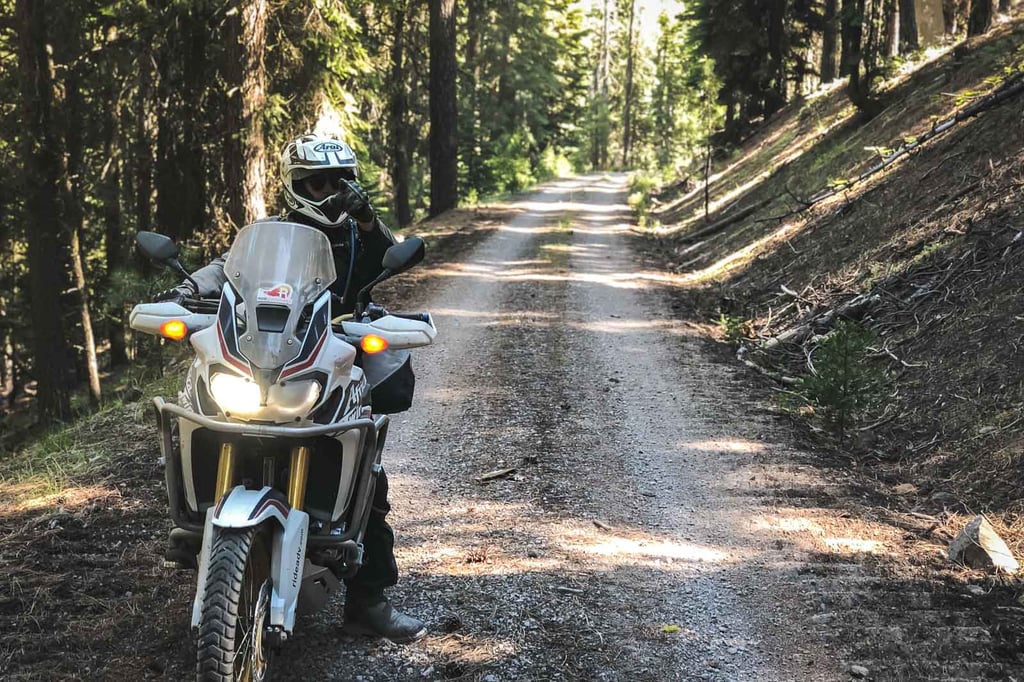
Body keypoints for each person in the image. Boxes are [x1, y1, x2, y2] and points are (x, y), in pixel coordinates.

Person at [156, 133, 426, 643]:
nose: (329, 192)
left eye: (339, 181)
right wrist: (190, 288)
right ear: (293, 185)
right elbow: (226, 269)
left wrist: (366, 219)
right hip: (268, 354)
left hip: (334, 354)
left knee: (367, 469)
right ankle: (203, 540)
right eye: (316, 182)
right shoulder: (270, 233)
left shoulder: (357, 235)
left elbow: (389, 257)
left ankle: (369, 602)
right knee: (203, 413)